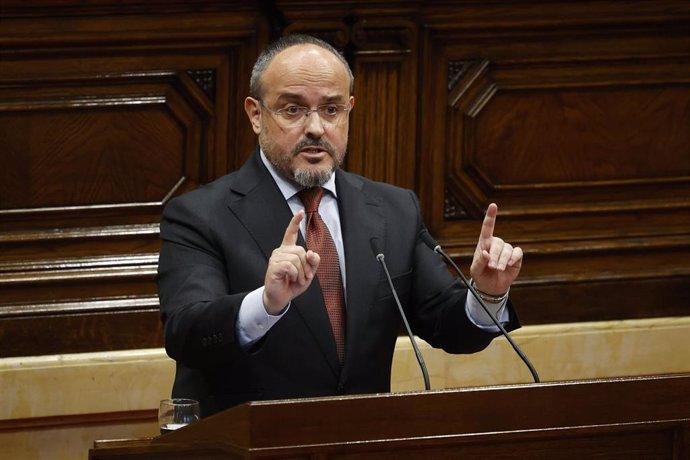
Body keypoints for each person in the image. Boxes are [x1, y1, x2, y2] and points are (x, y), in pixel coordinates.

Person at [157, 34, 523, 417]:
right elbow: (187, 334)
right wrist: (265, 304)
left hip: (360, 441)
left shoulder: (393, 209)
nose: (315, 128)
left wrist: (486, 294)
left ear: (348, 111)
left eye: (331, 110)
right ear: (255, 114)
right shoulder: (200, 214)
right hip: (252, 444)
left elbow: (448, 326)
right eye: (293, 110)